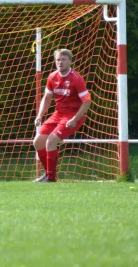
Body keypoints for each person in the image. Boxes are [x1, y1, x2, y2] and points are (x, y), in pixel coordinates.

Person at [33, 49, 92, 182]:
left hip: (72, 116)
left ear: (70, 61)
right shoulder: (52, 77)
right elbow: (47, 98)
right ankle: (48, 174)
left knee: (51, 141)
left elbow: (87, 101)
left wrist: (75, 119)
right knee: (38, 142)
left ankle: (51, 179)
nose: (60, 62)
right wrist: (40, 115)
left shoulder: (76, 78)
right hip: (57, 115)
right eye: (58, 60)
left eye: (63, 59)